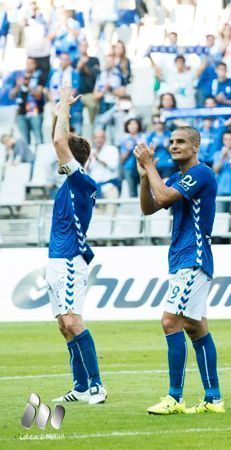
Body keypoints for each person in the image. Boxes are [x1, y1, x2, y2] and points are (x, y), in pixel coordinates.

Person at [136, 127, 224, 415]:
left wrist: (150, 165)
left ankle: (174, 397)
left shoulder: (201, 173)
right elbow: (149, 207)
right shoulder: (178, 178)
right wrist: (142, 177)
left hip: (193, 258)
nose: (174, 146)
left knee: (170, 321)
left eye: (181, 142)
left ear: (196, 145)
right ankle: (214, 399)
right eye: (171, 142)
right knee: (195, 327)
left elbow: (162, 198)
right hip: (181, 258)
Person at [47, 85, 106, 405]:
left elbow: (59, 140)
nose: (57, 152)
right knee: (63, 325)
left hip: (70, 258)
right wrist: (61, 114)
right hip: (57, 258)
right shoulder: (73, 181)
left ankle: (97, 385)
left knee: (73, 320)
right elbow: (61, 140)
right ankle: (81, 386)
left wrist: (63, 108)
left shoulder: (81, 180)